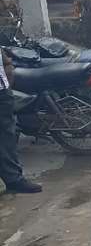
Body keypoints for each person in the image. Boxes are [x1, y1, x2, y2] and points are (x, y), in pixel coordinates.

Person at [0, 48, 42, 194]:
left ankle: (13, 179)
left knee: (7, 136)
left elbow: (4, 59)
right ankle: (13, 179)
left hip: (3, 92)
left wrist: (8, 70)